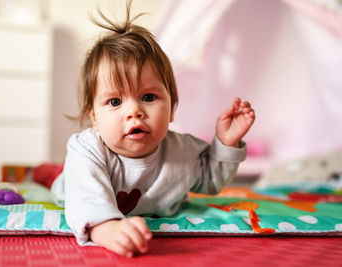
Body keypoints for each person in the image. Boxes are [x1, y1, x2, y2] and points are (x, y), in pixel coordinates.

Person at [51, 0, 255, 258]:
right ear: (95, 118)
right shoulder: (88, 150)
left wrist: (226, 143)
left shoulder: (183, 150)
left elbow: (210, 180)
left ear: (171, 109)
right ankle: (48, 172)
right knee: (57, 176)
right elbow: (85, 200)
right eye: (115, 102)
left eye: (148, 97)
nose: (134, 111)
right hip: (73, 183)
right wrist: (107, 229)